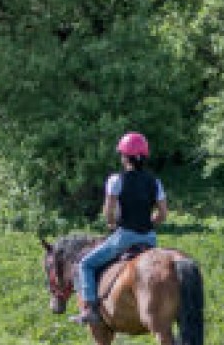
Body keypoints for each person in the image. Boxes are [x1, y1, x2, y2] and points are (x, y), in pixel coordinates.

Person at [71, 132, 169, 326]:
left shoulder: (116, 180)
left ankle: (90, 309)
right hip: (149, 239)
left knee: (86, 264)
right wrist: (150, 223)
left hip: (124, 237)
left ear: (125, 157)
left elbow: (108, 211)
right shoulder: (154, 182)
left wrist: (111, 223)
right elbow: (163, 214)